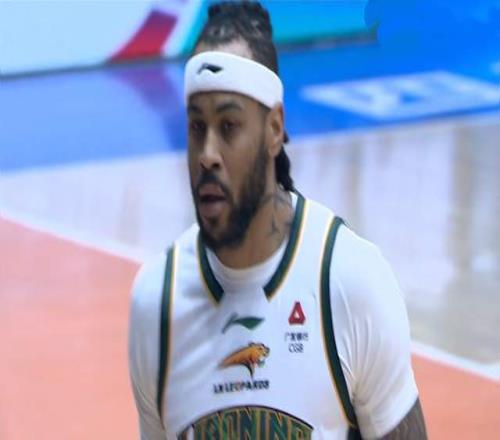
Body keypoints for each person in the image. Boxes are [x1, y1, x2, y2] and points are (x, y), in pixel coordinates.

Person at [128, 2, 427, 439]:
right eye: (196, 128)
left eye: (228, 126)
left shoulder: (347, 281)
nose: (208, 155)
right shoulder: (157, 303)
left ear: (274, 129)